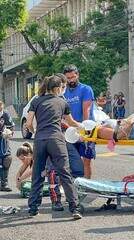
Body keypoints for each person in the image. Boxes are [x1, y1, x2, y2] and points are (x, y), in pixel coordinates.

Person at [26, 75, 83, 219]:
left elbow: (28, 123)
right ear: (57, 88)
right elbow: (71, 122)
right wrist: (82, 126)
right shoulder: (62, 102)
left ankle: (33, 208)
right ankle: (75, 208)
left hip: (40, 140)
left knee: (37, 174)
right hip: (56, 140)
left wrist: (35, 132)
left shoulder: (36, 101)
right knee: (65, 173)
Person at [63, 65, 95, 179]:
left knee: (86, 160)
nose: (71, 80)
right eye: (68, 78)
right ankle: (74, 186)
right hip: (69, 130)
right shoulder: (63, 92)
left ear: (77, 75)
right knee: (71, 160)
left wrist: (84, 131)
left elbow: (86, 110)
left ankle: (87, 186)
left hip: (86, 129)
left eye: (73, 77)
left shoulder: (86, 89)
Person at [16, 143, 64, 212]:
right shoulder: (29, 159)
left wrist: (20, 179)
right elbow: (20, 172)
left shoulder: (36, 156)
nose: (22, 161)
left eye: (23, 159)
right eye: (21, 159)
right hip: (48, 169)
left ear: (29, 155)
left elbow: (32, 171)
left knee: (51, 183)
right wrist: (18, 182)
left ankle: (56, 200)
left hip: (55, 169)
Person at [0, 101, 15, 192]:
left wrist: (9, 133)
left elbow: (11, 126)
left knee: (7, 159)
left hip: (3, 141)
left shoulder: (6, 113)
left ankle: (4, 184)